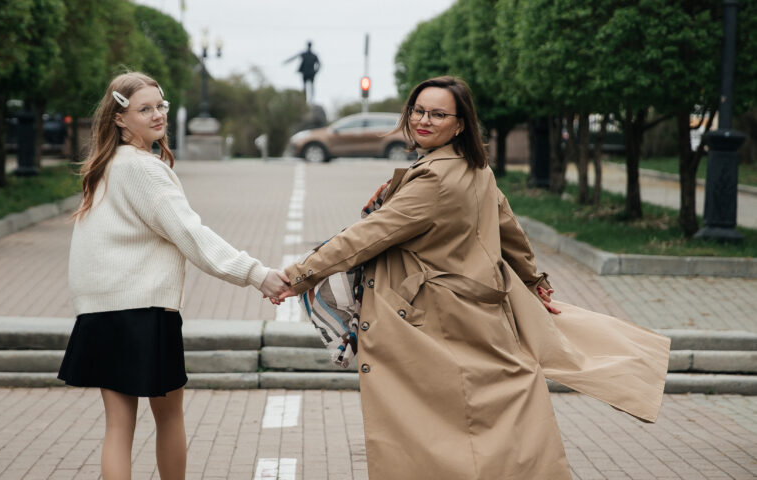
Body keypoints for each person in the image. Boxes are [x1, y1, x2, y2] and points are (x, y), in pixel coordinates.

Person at [277, 76, 670, 479]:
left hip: (434, 321)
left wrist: (298, 275)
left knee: (432, 419)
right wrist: (533, 280)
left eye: (437, 114)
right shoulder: (475, 168)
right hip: (474, 315)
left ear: (460, 124)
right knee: (480, 413)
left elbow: (368, 236)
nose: (423, 120)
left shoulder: (434, 179)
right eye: (418, 111)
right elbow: (510, 230)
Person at [58, 72, 289, 480]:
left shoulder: (105, 167)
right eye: (144, 109)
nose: (157, 115)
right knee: (169, 418)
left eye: (160, 106)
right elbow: (191, 235)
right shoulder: (144, 170)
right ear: (119, 118)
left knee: (118, 428)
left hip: (100, 314)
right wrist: (258, 274)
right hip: (145, 312)